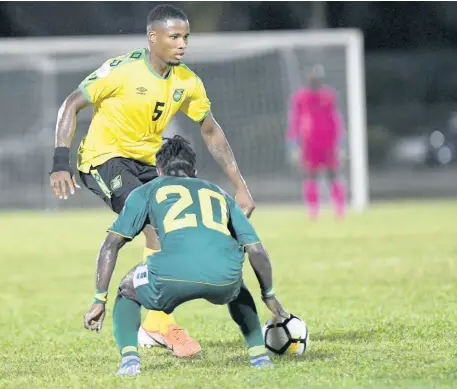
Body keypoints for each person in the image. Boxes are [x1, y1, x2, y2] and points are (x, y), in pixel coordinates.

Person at [49, 4, 255, 357]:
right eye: (174, 37)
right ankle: (158, 325)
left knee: (176, 228)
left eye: (186, 37)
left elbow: (210, 129)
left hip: (147, 164)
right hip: (102, 159)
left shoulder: (187, 81)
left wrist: (240, 183)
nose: (182, 44)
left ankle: (154, 324)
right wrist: (58, 162)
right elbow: (70, 105)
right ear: (153, 37)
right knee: (153, 225)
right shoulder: (122, 71)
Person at [82, 136, 290, 376]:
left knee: (127, 288)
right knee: (237, 286)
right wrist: (269, 294)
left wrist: (99, 299)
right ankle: (259, 355)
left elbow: (111, 244)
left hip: (169, 277)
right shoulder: (219, 193)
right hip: (224, 279)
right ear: (194, 171)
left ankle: (130, 362)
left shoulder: (146, 190)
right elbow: (256, 249)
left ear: (158, 170)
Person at [287, 64, 347, 220]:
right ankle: (313, 211)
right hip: (309, 143)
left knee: (333, 174)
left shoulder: (329, 96)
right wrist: (293, 143)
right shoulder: (300, 98)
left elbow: (336, 119)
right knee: (311, 175)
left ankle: (339, 210)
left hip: (328, 143)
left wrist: (340, 142)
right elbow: (295, 120)